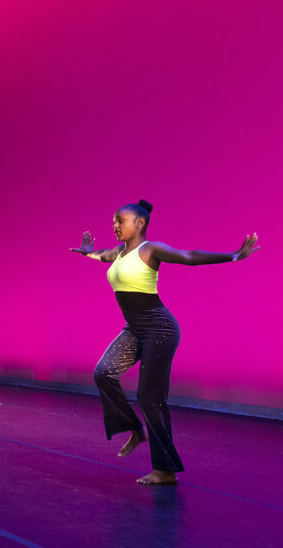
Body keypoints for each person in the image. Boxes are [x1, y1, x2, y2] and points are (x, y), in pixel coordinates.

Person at [71, 199, 259, 485]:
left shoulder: (150, 250)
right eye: (114, 221)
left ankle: (165, 470)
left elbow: (189, 255)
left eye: (120, 220)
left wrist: (233, 256)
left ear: (139, 223)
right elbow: (103, 255)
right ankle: (136, 429)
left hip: (159, 329)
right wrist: (88, 252)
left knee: (150, 397)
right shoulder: (120, 252)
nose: (115, 225)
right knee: (103, 372)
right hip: (135, 329)